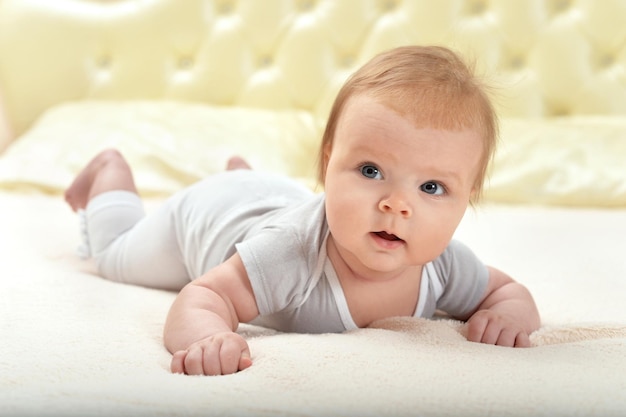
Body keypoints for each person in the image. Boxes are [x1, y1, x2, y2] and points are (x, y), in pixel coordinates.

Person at [64, 45, 541, 376]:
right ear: (328, 164)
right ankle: (110, 171)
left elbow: (507, 291)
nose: (397, 204)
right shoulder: (288, 255)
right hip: (207, 215)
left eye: (432, 186)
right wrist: (207, 337)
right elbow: (205, 297)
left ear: (467, 199)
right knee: (113, 257)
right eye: (371, 170)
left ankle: (241, 172)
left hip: (271, 196)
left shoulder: (442, 265)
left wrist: (511, 316)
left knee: (271, 200)